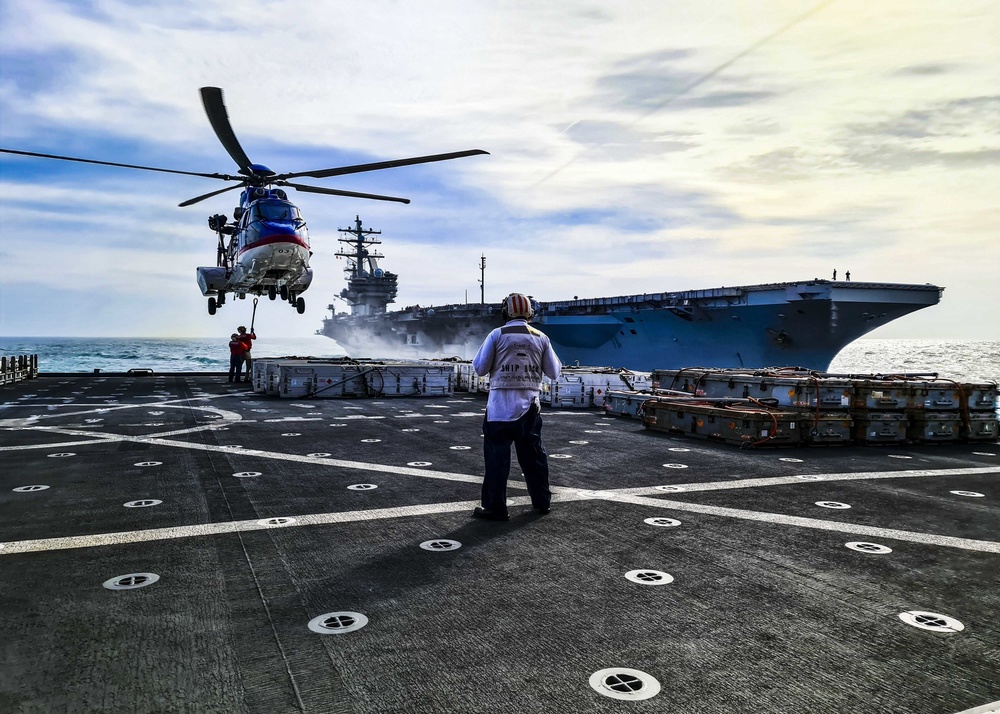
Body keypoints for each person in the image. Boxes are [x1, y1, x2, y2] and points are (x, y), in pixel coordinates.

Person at [471, 292, 561, 520]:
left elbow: (480, 368)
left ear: (505, 312)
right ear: (530, 313)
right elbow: (554, 372)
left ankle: (495, 508)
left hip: (499, 410)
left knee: (497, 461)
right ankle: (542, 502)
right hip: (530, 408)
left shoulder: (496, 334)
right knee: (534, 457)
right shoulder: (541, 337)